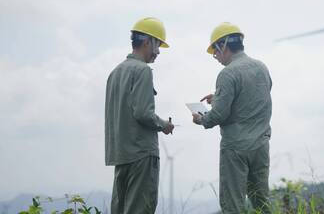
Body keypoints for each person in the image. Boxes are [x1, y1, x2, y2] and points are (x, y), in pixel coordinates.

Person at [192, 22, 272, 214]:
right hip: (261, 146)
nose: (216, 57)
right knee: (261, 201)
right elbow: (253, 97)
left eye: (215, 52)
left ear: (223, 45)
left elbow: (218, 115)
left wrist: (201, 118)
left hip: (236, 149)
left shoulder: (227, 74)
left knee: (232, 204)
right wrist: (220, 97)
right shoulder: (261, 67)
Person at [105, 17, 175, 214]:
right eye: (158, 45)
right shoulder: (143, 71)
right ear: (147, 42)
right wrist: (164, 125)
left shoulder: (115, 73)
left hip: (120, 155)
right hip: (141, 155)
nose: (158, 52)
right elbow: (143, 113)